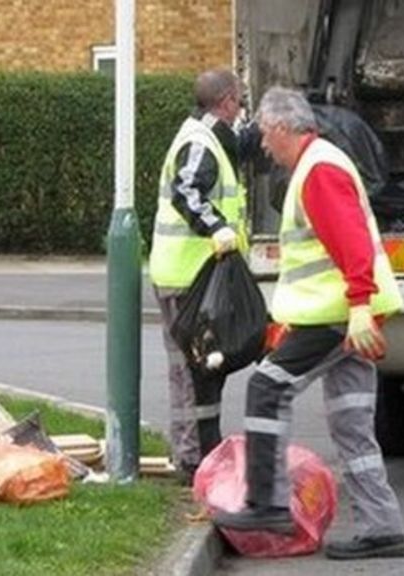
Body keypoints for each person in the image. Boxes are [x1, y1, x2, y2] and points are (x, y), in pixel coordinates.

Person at [212, 87, 404, 560]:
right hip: (348, 316)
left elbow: (351, 242)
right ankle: (382, 527)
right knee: (352, 424)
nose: (263, 145)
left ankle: (268, 504)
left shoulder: (318, 170)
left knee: (266, 387)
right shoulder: (321, 163)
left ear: (283, 128)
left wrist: (358, 305)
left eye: (265, 134)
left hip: (338, 315)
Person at [149, 69, 250, 486]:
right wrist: (216, 227)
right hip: (187, 275)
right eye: (240, 101)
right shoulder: (199, 142)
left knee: (197, 370)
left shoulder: (205, 137)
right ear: (226, 101)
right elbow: (186, 190)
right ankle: (193, 458)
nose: (241, 109)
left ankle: (196, 453)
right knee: (193, 372)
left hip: (186, 273)